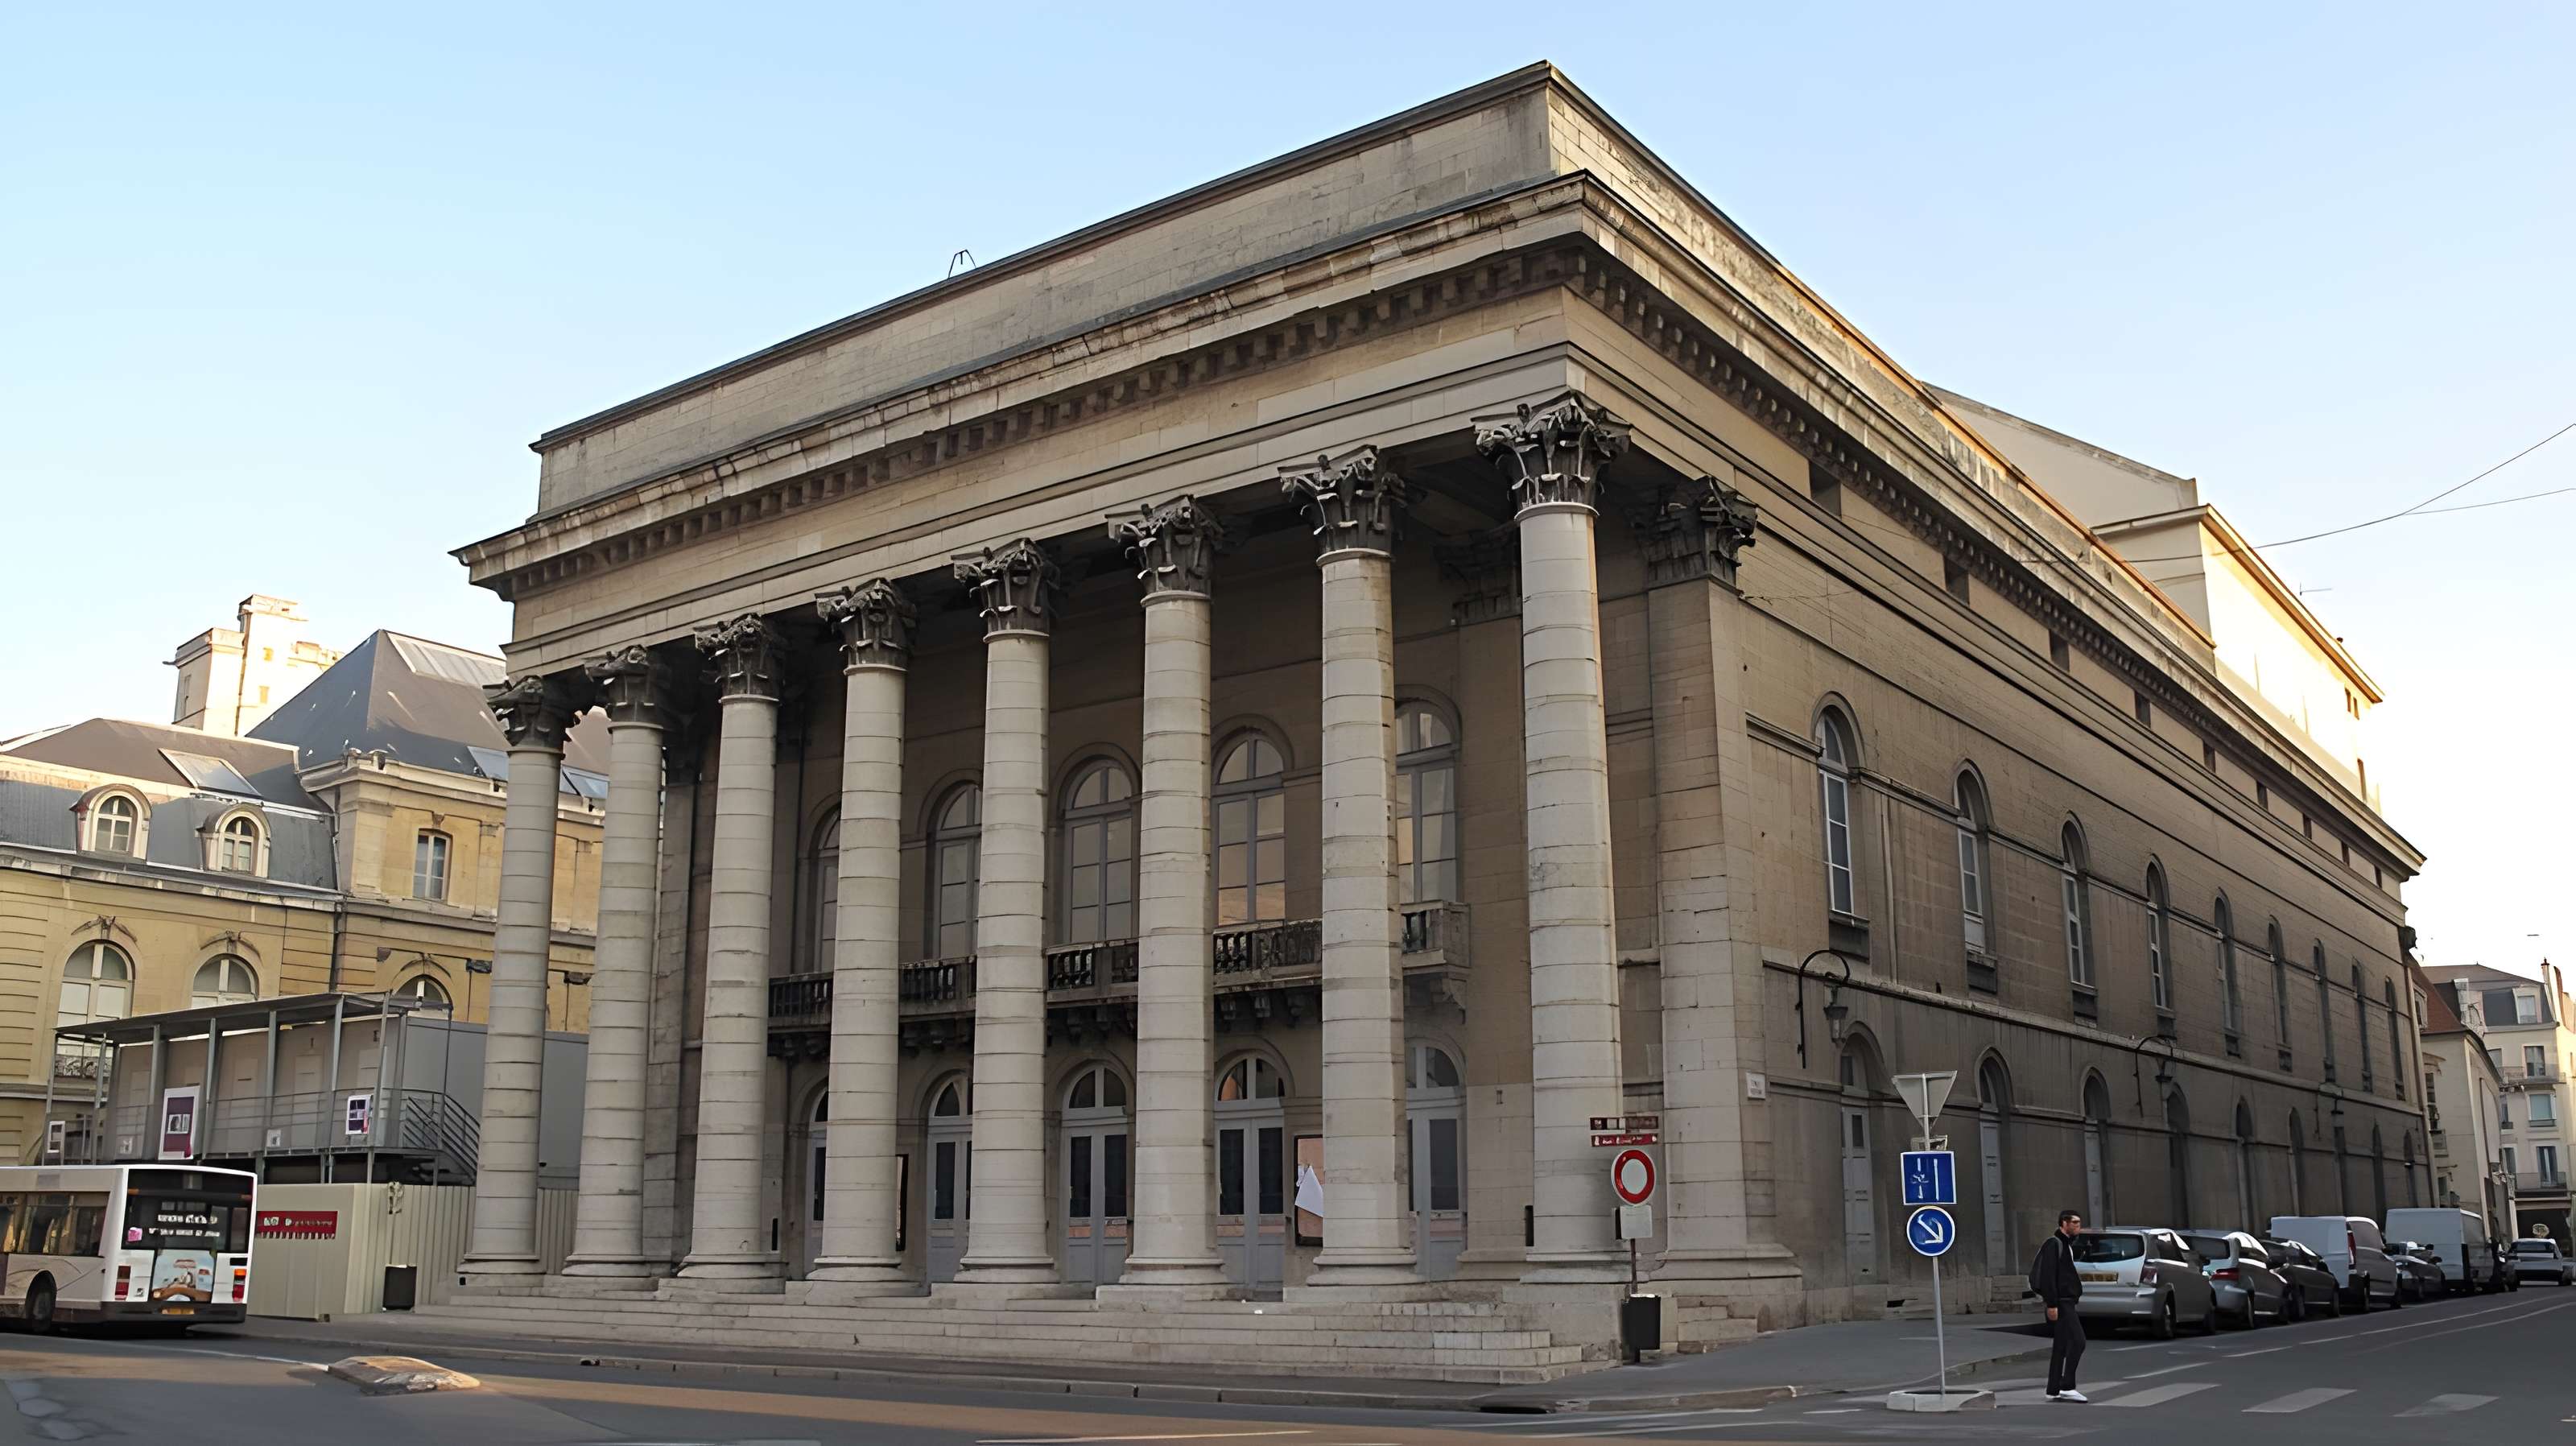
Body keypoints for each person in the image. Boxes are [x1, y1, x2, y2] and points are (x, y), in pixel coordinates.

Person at [2029, 1208, 2088, 1402]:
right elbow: (2048, 1276)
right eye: (2075, 1223)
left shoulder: (2066, 1245)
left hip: (2066, 1301)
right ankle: (2068, 1386)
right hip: (2061, 1303)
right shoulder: (2054, 1244)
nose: (2078, 1226)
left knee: (2061, 1346)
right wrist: (2052, 1304)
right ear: (2064, 1223)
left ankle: (2053, 1389)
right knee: (2078, 1341)